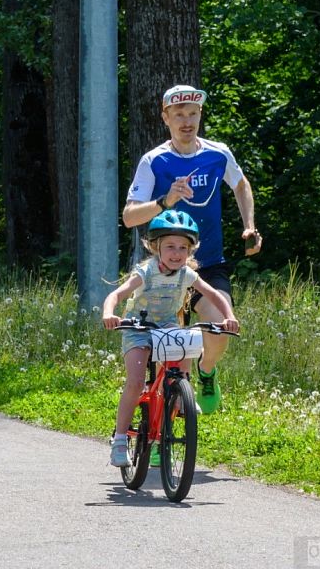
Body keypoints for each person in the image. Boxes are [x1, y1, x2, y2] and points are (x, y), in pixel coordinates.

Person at [123, 84, 262, 415]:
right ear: (166, 118)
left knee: (219, 329)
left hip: (208, 263)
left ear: (200, 116)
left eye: (193, 114)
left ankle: (207, 371)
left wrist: (249, 225)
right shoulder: (154, 161)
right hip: (165, 267)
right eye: (179, 115)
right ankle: (158, 434)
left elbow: (241, 186)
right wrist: (164, 201)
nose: (187, 122)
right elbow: (129, 217)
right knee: (166, 360)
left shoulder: (217, 153)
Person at [102, 210, 239, 467]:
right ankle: (120, 440)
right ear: (156, 247)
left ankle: (181, 394)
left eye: (183, 248)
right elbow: (116, 295)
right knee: (135, 380)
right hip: (138, 327)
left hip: (166, 324)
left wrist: (228, 315)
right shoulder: (146, 271)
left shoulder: (187, 274)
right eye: (170, 247)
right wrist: (109, 313)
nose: (177, 253)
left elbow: (214, 295)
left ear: (191, 251)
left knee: (187, 342)